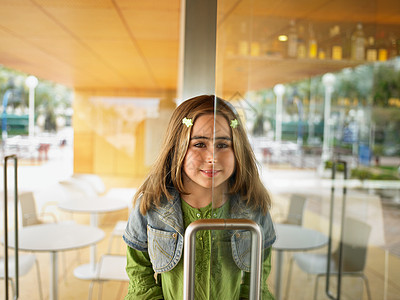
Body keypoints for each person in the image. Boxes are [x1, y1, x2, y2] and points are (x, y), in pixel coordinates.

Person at [123, 95, 276, 299]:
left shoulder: (253, 207)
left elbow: (258, 281)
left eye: (222, 145)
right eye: (199, 145)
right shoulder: (152, 205)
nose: (212, 157)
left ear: (237, 148)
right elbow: (139, 275)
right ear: (177, 147)